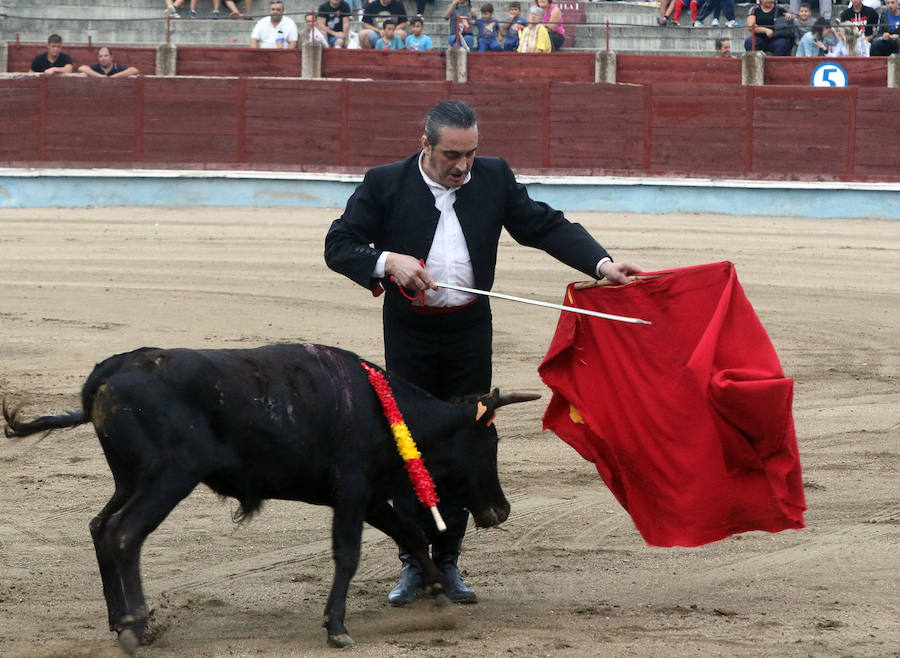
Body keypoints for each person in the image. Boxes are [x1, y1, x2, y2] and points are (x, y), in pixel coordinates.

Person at [324, 99, 642, 608]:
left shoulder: (493, 177)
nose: (463, 166)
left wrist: (601, 264)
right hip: (409, 335)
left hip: (470, 333)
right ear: (425, 144)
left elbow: (543, 225)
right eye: (452, 154)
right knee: (409, 443)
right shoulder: (385, 183)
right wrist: (387, 261)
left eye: (470, 153)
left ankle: (448, 560)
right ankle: (414, 561)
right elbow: (339, 244)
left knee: (467, 440)